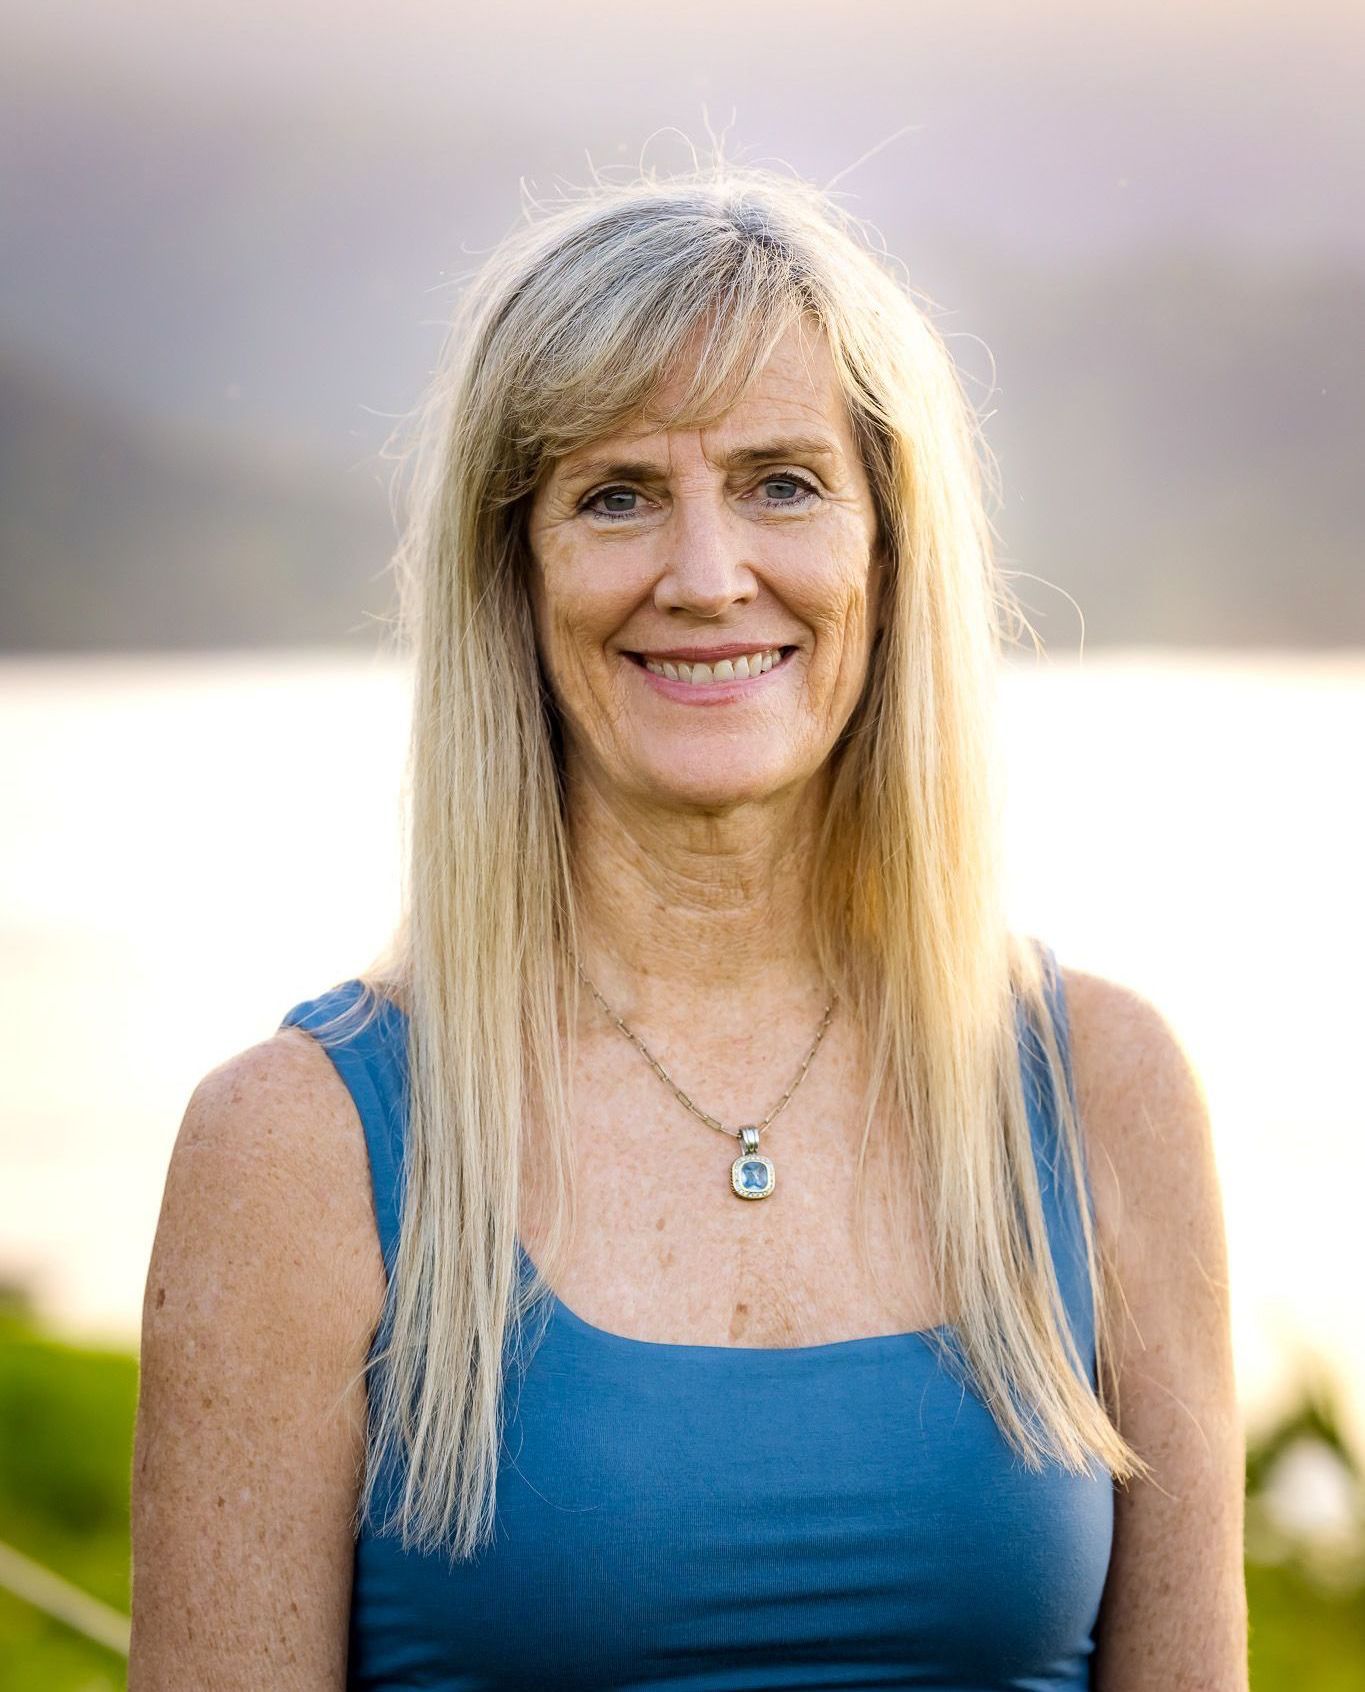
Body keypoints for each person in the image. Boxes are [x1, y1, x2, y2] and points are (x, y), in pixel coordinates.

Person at [128, 165, 1247, 1689]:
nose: (709, 578)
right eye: (615, 496)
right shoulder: (300, 1149)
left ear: (887, 551)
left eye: (783, 481)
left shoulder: (1101, 1091)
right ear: (511, 578)